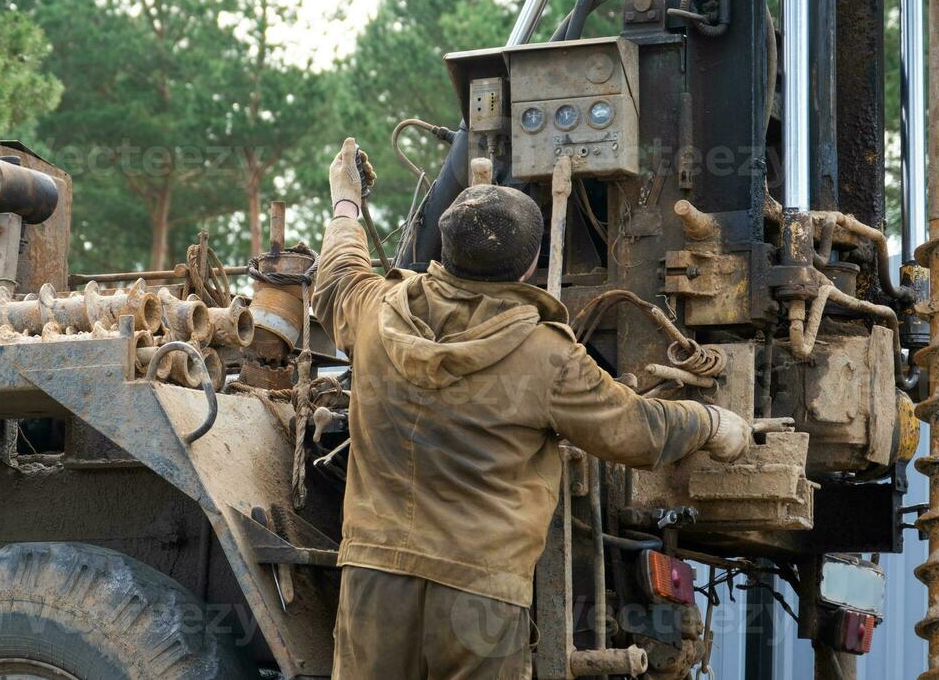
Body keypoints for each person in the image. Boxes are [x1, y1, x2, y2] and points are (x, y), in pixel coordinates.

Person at [313, 138, 750, 680]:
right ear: (530, 266)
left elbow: (337, 276)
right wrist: (711, 422)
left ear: (443, 253)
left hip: (374, 578)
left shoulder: (377, 313)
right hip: (479, 595)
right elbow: (638, 431)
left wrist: (346, 203)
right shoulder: (548, 358)